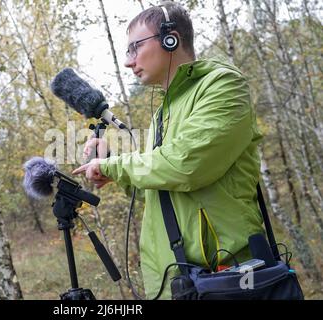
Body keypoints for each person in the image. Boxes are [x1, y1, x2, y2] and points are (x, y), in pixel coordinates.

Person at [72, 1, 264, 299]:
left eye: (135, 47)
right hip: (175, 282)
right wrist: (111, 163)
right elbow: (164, 189)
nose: (128, 61)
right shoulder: (162, 112)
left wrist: (115, 166)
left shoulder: (223, 86)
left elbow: (186, 165)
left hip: (228, 276)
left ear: (170, 38)